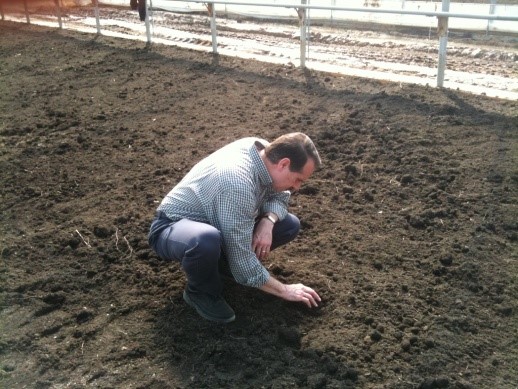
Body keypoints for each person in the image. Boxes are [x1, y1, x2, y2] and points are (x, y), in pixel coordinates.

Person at [148, 132, 322, 323]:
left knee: (288, 225)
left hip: (220, 220)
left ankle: (222, 266)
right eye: (298, 179)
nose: (297, 187)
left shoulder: (264, 151)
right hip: (173, 227)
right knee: (205, 241)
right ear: (283, 164)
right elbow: (243, 262)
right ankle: (201, 292)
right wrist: (284, 290)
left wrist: (268, 221)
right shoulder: (238, 183)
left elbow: (280, 196)